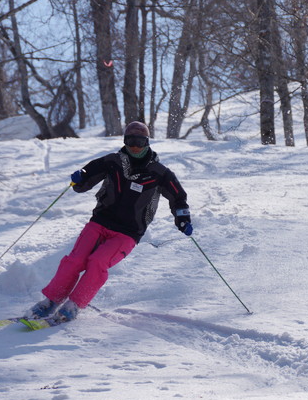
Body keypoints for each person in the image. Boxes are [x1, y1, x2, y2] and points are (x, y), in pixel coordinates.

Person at [26, 121, 193, 323]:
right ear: (124, 141)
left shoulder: (159, 173)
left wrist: (182, 218)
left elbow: (178, 197)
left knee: (98, 261)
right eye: (130, 141)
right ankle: (51, 301)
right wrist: (79, 179)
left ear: (147, 143)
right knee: (75, 260)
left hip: (128, 232)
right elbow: (84, 181)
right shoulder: (112, 162)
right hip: (100, 222)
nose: (134, 147)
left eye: (139, 142)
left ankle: (74, 305)